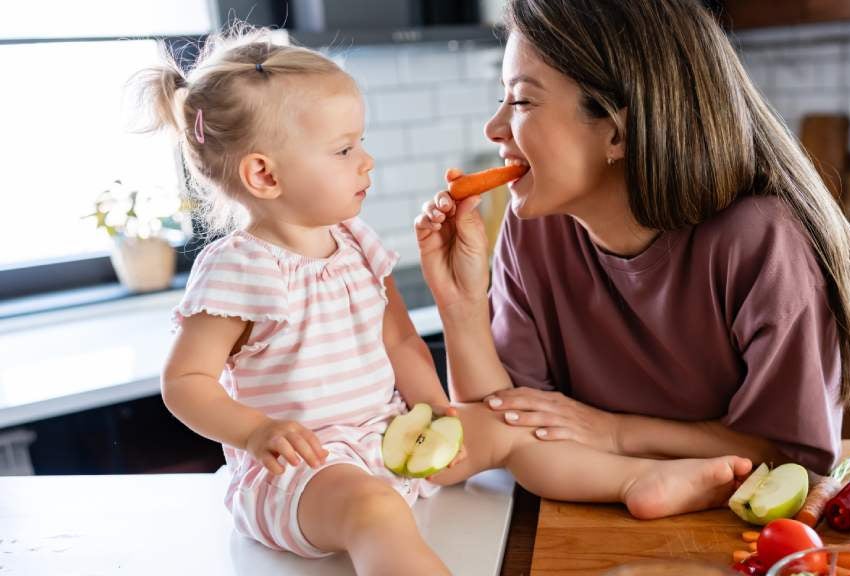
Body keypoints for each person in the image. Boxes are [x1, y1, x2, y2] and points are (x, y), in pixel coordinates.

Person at [150, 27, 750, 576]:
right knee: (374, 509)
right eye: (342, 151)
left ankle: (637, 481)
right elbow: (186, 381)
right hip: (299, 476)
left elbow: (402, 341)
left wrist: (439, 415)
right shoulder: (239, 267)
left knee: (514, 427)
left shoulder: (357, 243)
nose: (366, 161)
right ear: (264, 176)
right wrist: (255, 433)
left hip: (386, 439)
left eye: (362, 142)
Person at [415, 0, 850, 479]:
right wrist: (460, 306)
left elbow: (794, 455)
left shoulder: (761, 243)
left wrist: (615, 433)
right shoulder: (534, 225)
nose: (494, 127)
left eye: (520, 100)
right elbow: (504, 424)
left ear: (618, 132)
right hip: (585, 512)